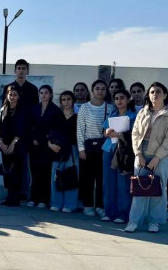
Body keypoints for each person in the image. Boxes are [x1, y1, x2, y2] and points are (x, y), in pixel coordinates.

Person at [126, 82, 168, 233]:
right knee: (139, 187)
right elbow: (135, 133)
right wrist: (138, 154)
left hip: (163, 154)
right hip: (142, 151)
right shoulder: (143, 112)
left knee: (158, 188)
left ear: (165, 95)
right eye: (152, 92)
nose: (155, 94)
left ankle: (154, 221)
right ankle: (134, 221)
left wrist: (157, 158)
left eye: (158, 91)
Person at [77, 79, 113, 216]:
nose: (100, 91)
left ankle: (100, 205)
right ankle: (87, 205)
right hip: (88, 148)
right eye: (97, 88)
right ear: (92, 91)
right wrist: (81, 149)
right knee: (87, 178)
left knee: (102, 178)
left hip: (104, 148)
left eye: (103, 89)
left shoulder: (109, 108)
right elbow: (80, 129)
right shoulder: (85, 108)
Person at [2, 59, 37, 198]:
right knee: (7, 165)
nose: (21, 70)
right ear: (15, 70)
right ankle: (9, 194)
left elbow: (34, 112)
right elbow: (3, 112)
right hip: (8, 134)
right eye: (19, 68)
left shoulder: (33, 89)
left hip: (24, 134)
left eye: (24, 68)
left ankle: (20, 193)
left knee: (21, 165)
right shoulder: (8, 88)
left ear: (27, 71)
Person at [101, 89, 137, 223]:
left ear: (128, 100)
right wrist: (107, 132)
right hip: (108, 149)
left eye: (122, 98)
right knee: (108, 182)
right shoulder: (112, 113)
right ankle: (109, 212)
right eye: (116, 98)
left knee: (123, 182)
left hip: (124, 151)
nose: (119, 101)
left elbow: (134, 134)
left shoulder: (133, 116)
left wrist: (120, 134)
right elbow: (104, 130)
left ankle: (123, 213)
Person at [28, 85, 60, 208]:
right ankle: (33, 198)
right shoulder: (34, 109)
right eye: (41, 93)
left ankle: (43, 199)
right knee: (35, 172)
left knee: (45, 172)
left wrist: (45, 139)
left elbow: (55, 129)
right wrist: (33, 139)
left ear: (51, 94)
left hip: (47, 145)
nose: (44, 95)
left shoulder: (55, 110)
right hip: (35, 145)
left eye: (46, 92)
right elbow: (29, 126)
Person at [49, 91, 80, 213]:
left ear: (73, 101)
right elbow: (49, 133)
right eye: (63, 100)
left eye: (68, 99)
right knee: (55, 176)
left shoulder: (78, 117)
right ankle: (56, 202)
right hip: (57, 149)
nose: (66, 102)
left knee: (71, 175)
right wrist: (50, 145)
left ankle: (70, 204)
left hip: (72, 149)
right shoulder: (56, 116)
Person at [0, 88, 26, 206]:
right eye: (10, 94)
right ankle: (8, 197)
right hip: (4, 145)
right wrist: (1, 142)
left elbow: (21, 129)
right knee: (6, 172)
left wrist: (13, 143)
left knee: (16, 172)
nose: (12, 97)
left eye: (15, 95)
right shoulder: (3, 109)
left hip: (17, 145)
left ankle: (15, 198)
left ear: (18, 97)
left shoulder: (21, 111)